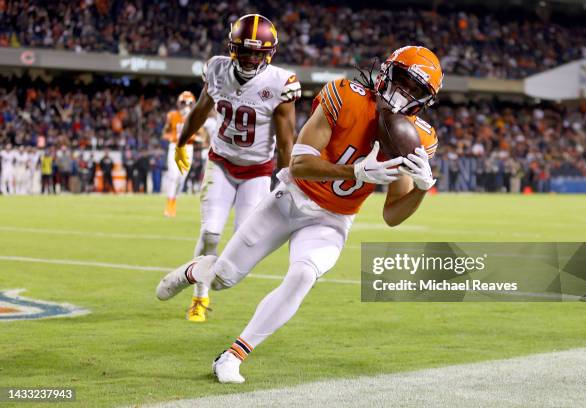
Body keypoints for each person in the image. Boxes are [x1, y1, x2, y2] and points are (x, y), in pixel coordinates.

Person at [157, 45, 442, 382]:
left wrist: (422, 187)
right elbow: (299, 164)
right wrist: (356, 173)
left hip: (333, 218)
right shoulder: (345, 96)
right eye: (402, 81)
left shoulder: (418, 138)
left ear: (425, 102)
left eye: (415, 91)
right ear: (385, 72)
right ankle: (193, 272)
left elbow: (392, 215)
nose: (402, 94)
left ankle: (232, 356)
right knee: (223, 278)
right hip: (291, 197)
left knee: (304, 275)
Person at [173, 13, 301, 322]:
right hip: (221, 162)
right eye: (245, 50)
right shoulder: (217, 69)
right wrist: (182, 141)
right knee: (211, 231)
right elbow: (202, 110)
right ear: (233, 47)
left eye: (258, 52)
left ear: (269, 53)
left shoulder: (280, 83)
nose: (250, 57)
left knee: (243, 243)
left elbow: (286, 142)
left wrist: (287, 183)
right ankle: (199, 297)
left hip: (257, 170)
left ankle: (189, 273)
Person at [162, 91, 212, 216]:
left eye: (189, 103)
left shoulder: (195, 116)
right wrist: (172, 136)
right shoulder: (172, 115)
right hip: (175, 146)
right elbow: (165, 132)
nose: (186, 105)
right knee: (174, 175)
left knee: (182, 178)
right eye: (183, 102)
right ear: (179, 103)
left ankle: (174, 200)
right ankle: (170, 206)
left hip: (188, 148)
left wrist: (197, 138)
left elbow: (203, 135)